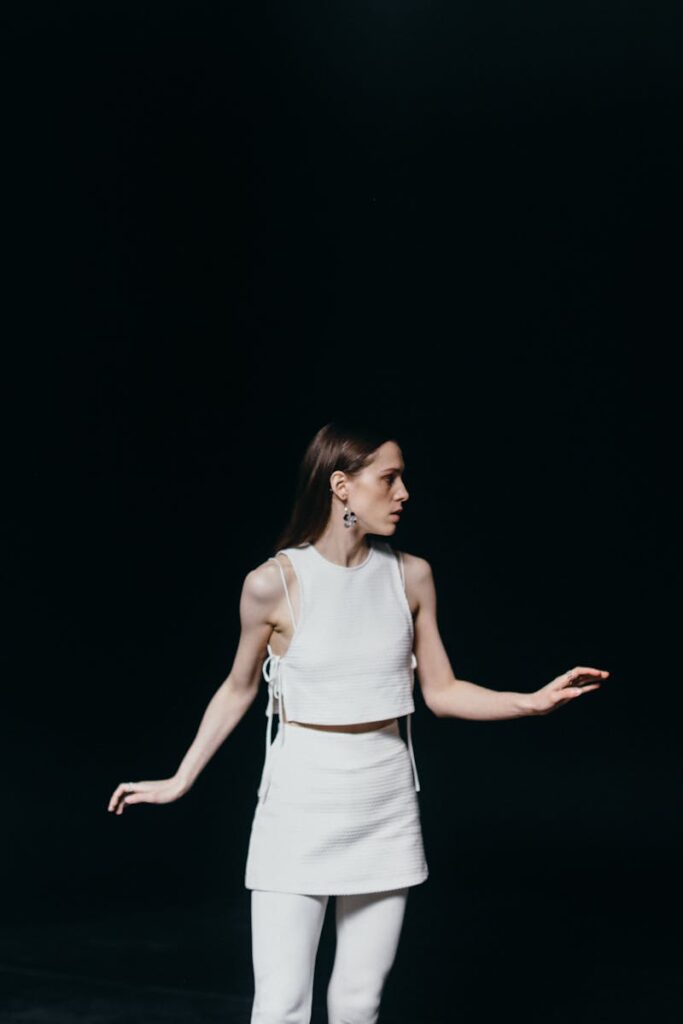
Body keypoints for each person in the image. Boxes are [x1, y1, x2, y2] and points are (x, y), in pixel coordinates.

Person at [107, 420, 609, 1024]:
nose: (403, 494)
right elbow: (238, 688)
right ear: (341, 486)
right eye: (389, 479)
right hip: (299, 806)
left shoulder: (411, 575)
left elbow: (442, 692)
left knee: (358, 1001)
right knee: (282, 1005)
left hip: (385, 804)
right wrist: (180, 779)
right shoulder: (273, 584)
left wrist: (531, 700)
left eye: (404, 480)